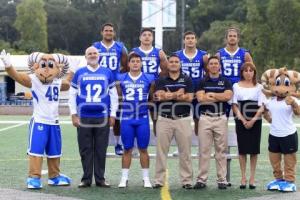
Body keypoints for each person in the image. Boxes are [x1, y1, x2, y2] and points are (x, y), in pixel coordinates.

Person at [0, 50, 71, 189]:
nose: (46, 69)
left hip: (54, 122)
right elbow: (17, 77)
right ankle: (34, 177)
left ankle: (54, 176)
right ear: (36, 66)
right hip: (40, 121)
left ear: (57, 69)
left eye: (51, 65)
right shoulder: (34, 80)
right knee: (36, 151)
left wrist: (72, 70)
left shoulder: (57, 81)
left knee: (55, 151)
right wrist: (8, 66)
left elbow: (67, 83)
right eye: (43, 65)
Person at [68, 46, 118, 188]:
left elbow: (113, 95)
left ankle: (100, 178)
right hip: (84, 116)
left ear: (99, 55)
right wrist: (73, 114)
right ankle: (86, 178)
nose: (92, 55)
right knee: (85, 148)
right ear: (85, 57)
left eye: (94, 53)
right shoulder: (79, 73)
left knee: (101, 148)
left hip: (102, 116)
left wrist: (113, 114)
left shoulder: (107, 72)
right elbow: (72, 95)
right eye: (89, 53)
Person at [153, 54, 194, 189]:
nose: (174, 64)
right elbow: (159, 96)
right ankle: (159, 180)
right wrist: (178, 94)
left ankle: (186, 180)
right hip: (164, 119)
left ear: (180, 64)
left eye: (177, 62)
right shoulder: (161, 80)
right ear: (167, 64)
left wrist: (169, 95)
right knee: (161, 152)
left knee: (185, 152)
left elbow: (189, 98)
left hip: (183, 119)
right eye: (171, 62)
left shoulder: (187, 79)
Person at [116, 53, 155, 188]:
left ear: (141, 63)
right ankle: (124, 178)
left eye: (138, 61)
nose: (135, 63)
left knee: (143, 148)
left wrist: (147, 106)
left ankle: (146, 178)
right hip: (127, 118)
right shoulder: (121, 78)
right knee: (127, 149)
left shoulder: (149, 78)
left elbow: (152, 98)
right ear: (129, 64)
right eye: (133, 61)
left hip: (142, 118)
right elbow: (118, 97)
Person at [194, 56, 233, 190]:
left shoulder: (226, 81)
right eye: (211, 64)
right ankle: (201, 180)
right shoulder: (202, 81)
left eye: (216, 63)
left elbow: (227, 97)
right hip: (205, 118)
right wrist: (218, 96)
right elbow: (200, 99)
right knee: (204, 150)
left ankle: (222, 180)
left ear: (220, 66)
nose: (214, 65)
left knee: (220, 150)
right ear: (208, 66)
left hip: (221, 117)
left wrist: (211, 95)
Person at [93, 22, 128, 156]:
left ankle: (118, 143)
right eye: (106, 30)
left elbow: (125, 65)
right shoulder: (95, 46)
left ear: (114, 33)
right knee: (99, 113)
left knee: (116, 115)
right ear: (102, 32)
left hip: (114, 83)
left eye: (111, 31)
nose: (108, 32)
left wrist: (118, 78)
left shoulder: (120, 47)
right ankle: (100, 143)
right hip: (99, 83)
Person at [232, 62, 264, 189]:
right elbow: (234, 105)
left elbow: (262, 106)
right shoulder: (236, 86)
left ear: (254, 72)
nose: (248, 73)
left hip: (256, 120)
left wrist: (253, 120)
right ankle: (243, 177)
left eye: (251, 70)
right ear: (242, 72)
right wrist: (243, 120)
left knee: (254, 150)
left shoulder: (259, 87)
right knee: (243, 150)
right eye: (246, 70)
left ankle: (252, 178)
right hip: (240, 120)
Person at [131, 28, 168, 136]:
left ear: (152, 38)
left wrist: (156, 79)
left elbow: (165, 70)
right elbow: (129, 69)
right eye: (144, 35)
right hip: (138, 86)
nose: (147, 37)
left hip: (153, 87)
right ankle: (135, 146)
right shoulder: (134, 52)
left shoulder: (159, 52)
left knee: (156, 116)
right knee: (136, 116)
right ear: (140, 38)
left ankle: (158, 143)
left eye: (149, 35)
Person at [176, 31, 208, 136]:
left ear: (196, 40)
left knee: (198, 118)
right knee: (181, 118)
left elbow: (208, 73)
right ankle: (181, 144)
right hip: (183, 91)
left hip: (198, 90)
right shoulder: (177, 55)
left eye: (192, 38)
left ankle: (200, 143)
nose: (190, 40)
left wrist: (203, 89)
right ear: (184, 40)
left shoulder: (203, 55)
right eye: (188, 38)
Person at [216, 27, 253, 117]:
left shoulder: (245, 53)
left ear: (238, 38)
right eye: (230, 36)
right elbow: (214, 71)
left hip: (240, 87)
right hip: (224, 88)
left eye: (234, 36)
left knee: (241, 117)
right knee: (223, 117)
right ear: (226, 38)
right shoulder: (219, 54)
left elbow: (252, 71)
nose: (232, 38)